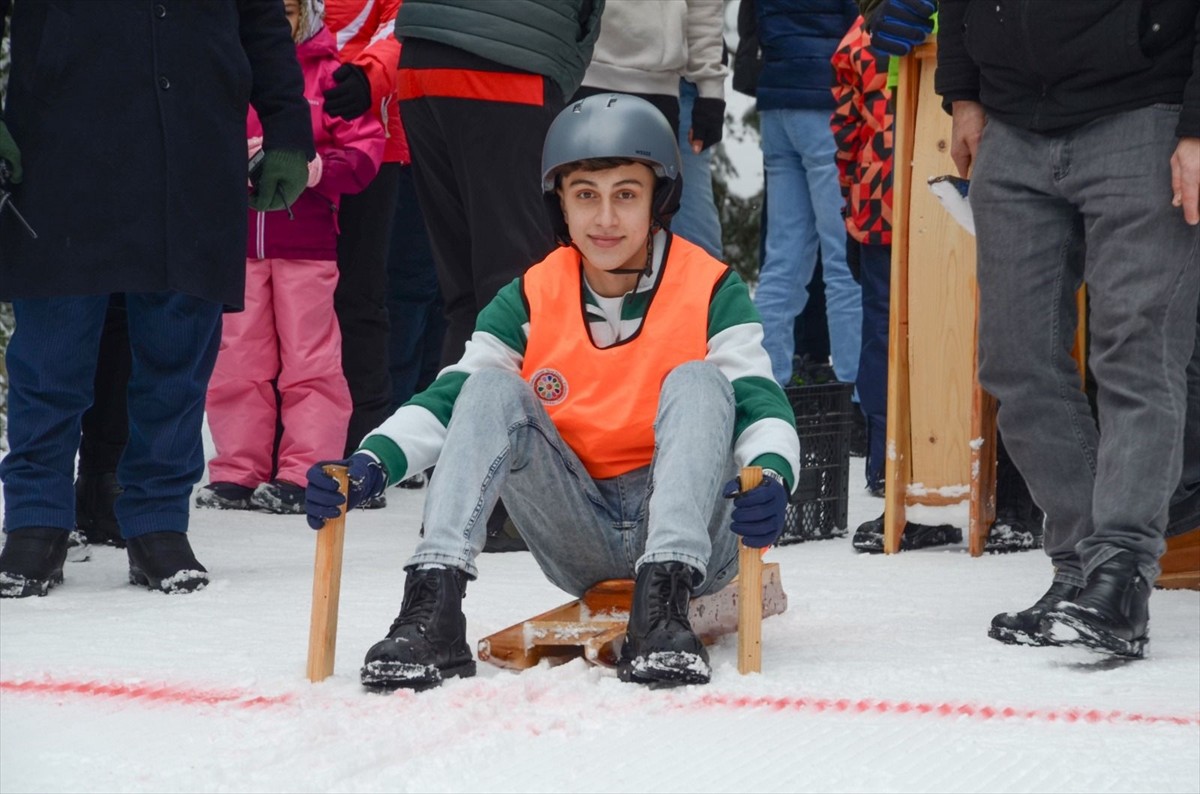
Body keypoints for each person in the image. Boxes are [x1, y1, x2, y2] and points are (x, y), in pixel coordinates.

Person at [304, 94, 801, 691]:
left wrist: (772, 474)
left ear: (658, 200)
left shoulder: (710, 285)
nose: (606, 219)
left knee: (700, 379)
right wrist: (371, 462)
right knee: (489, 386)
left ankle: (662, 610)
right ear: (560, 205)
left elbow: (757, 396)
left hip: (695, 536)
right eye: (586, 195)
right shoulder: (533, 294)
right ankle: (433, 605)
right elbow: (452, 397)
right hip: (579, 529)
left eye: (626, 194)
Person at [0, 0, 314, 598]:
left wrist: (288, 131)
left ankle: (158, 525)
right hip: (62, 150)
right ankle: (35, 522)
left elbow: (262, 23)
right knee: (51, 359)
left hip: (192, 153)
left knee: (176, 358)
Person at [937, 0, 1200, 657]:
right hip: (1013, 121)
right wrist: (962, 93)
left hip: (1146, 111)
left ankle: (1119, 577)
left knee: (1137, 354)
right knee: (1015, 361)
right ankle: (1084, 570)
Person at [197, 0, 385, 514]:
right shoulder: (226, 71)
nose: (281, 22)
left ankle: (308, 469)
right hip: (239, 246)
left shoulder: (328, 75)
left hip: (306, 246)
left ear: (309, 15)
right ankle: (238, 469)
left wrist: (318, 168)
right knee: (236, 360)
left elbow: (367, 150)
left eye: (291, 10)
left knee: (311, 360)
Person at [750, 0, 862, 389]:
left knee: (783, 260)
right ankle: (854, 396)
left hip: (777, 102)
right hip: (824, 99)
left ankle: (767, 387)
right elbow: (859, 22)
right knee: (844, 258)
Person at [569, 0, 728, 256]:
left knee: (654, 237)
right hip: (579, 71)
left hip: (657, 84)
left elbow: (704, 5)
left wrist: (710, 90)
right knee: (573, 233)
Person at [323, 0, 407, 461]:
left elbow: (401, 28)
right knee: (276, 298)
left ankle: (365, 442)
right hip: (285, 136)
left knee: (359, 295)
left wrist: (366, 76)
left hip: (370, 140)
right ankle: (280, 442)